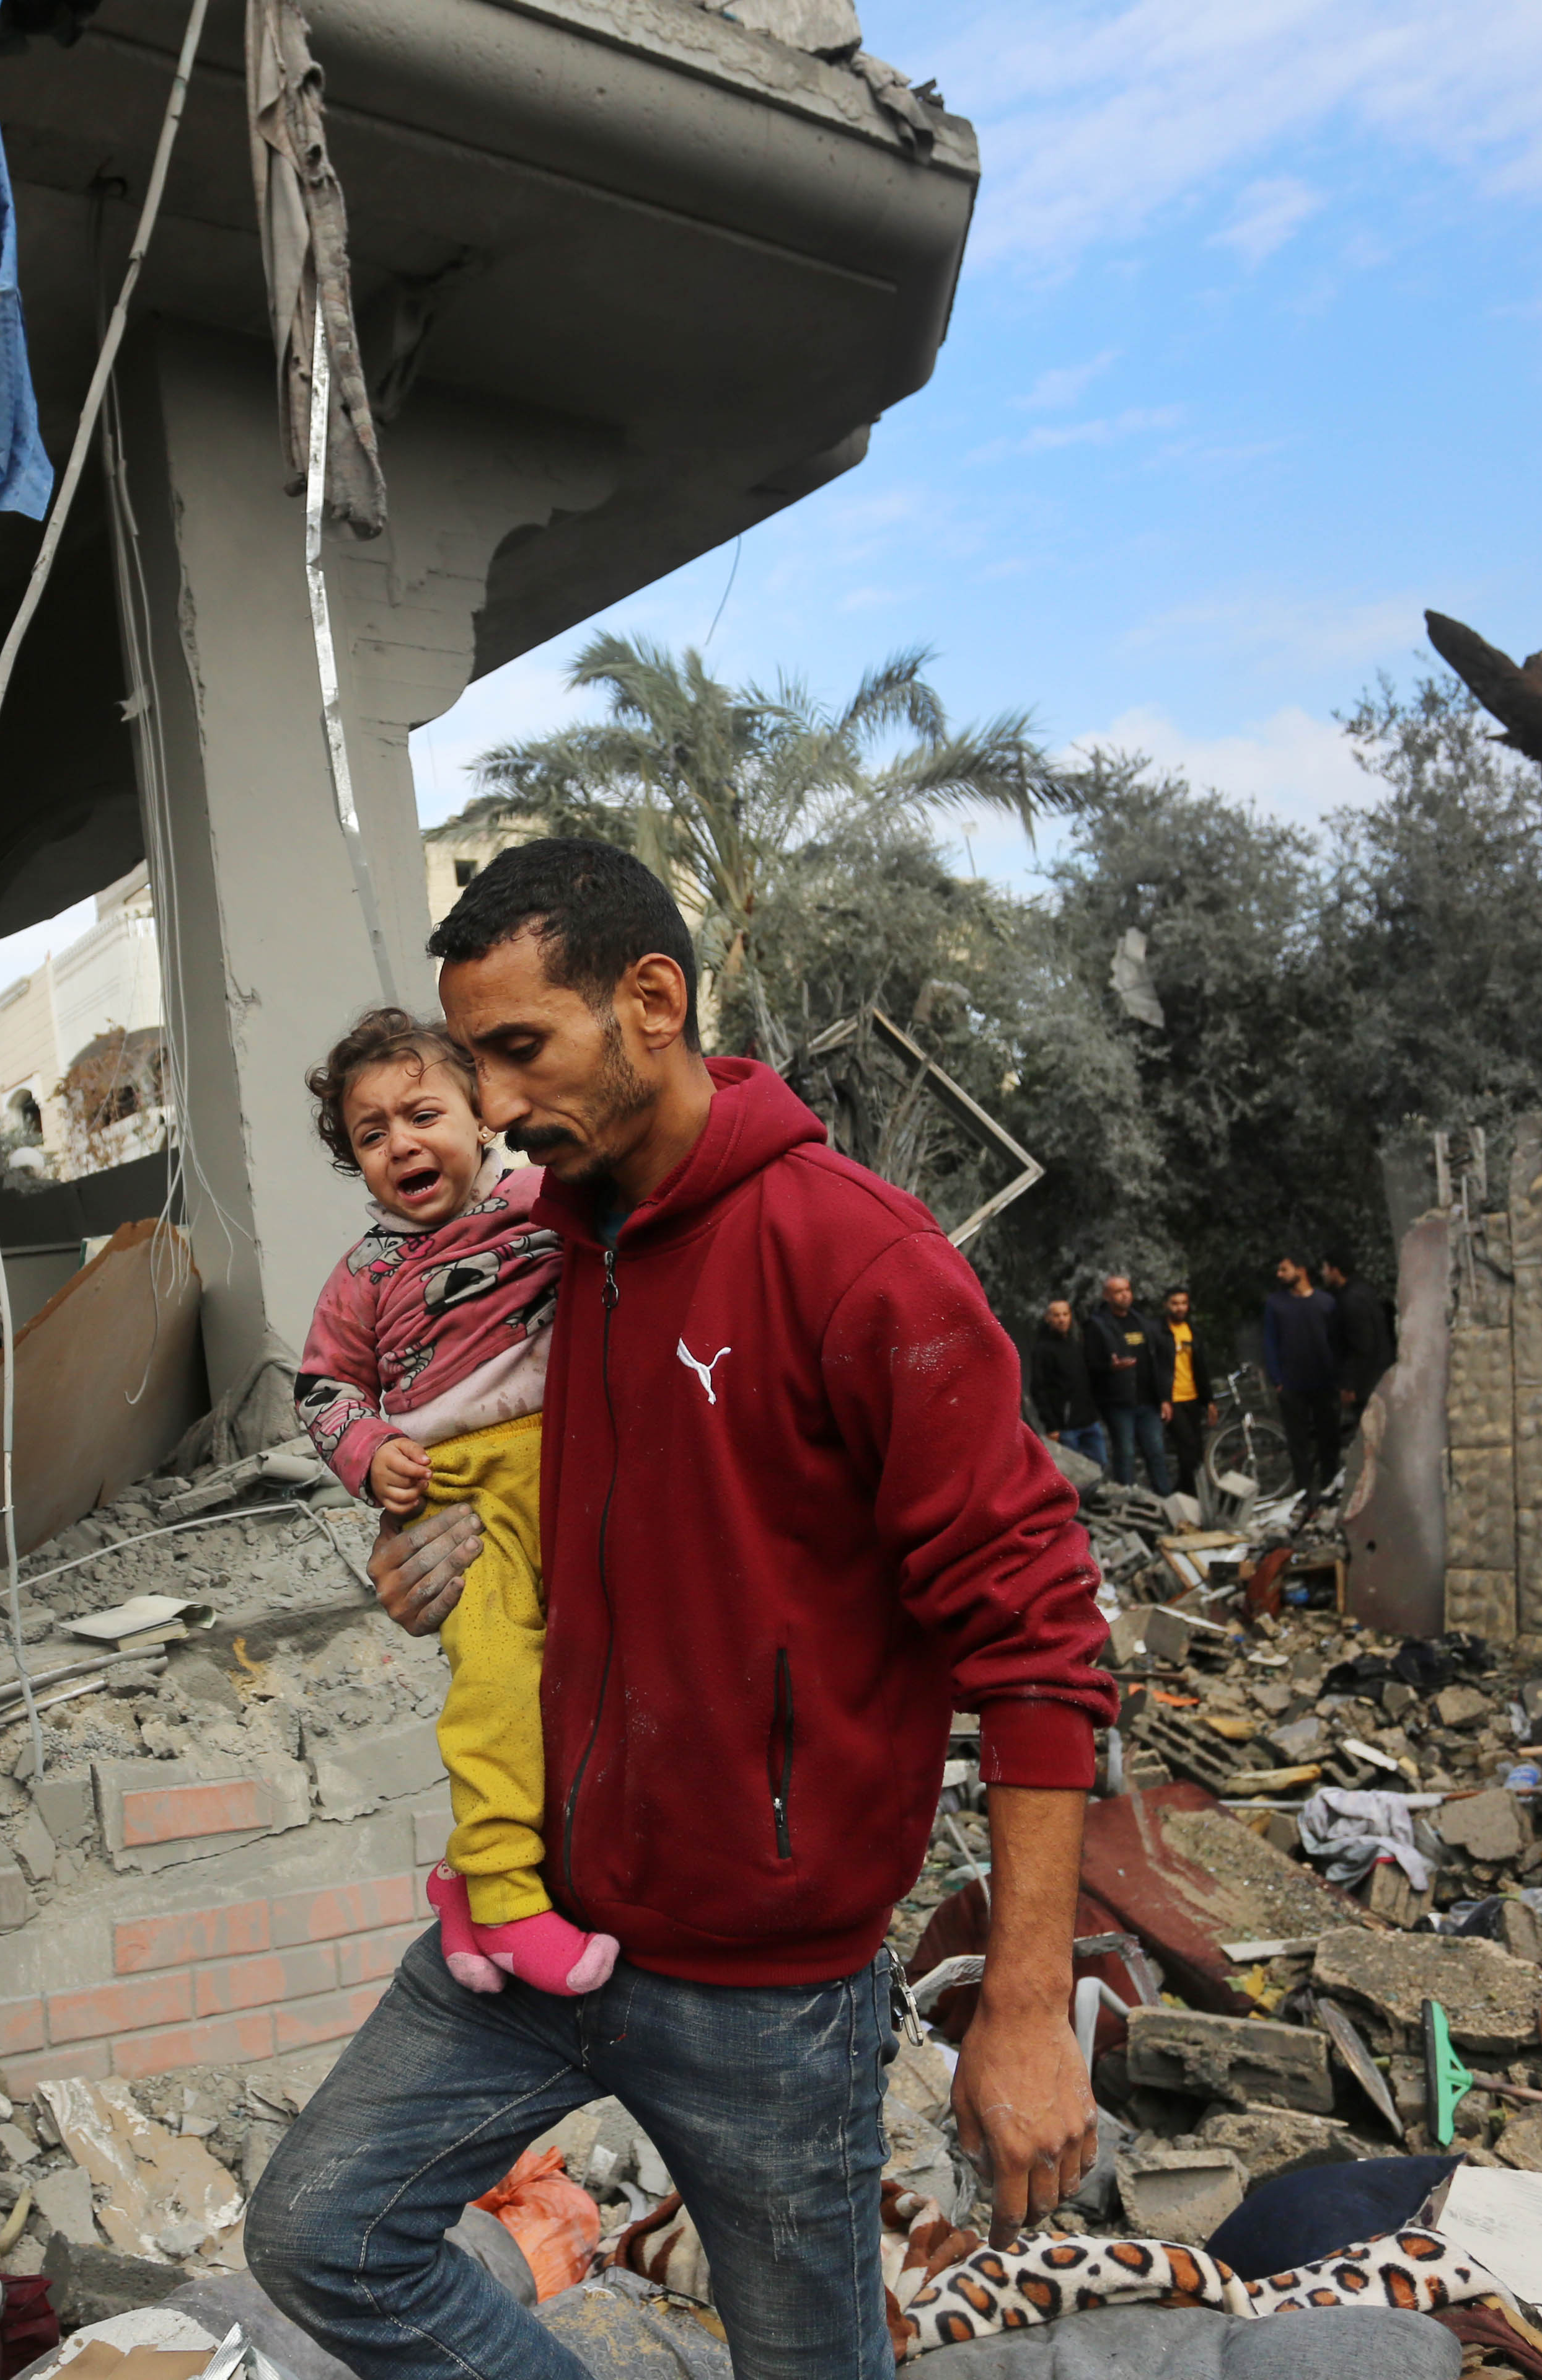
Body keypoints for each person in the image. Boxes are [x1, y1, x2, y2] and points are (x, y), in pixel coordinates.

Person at [270, 837, 1112, 2380]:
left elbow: (1040, 1632)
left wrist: (1025, 1998)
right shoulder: (540, 1252)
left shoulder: (854, 1256)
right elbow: (519, 1513)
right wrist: (426, 1566)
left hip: (766, 1993)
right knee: (319, 2232)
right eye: (473, 1062)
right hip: (533, 1933)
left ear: (649, 999)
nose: (495, 1105)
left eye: (518, 1049)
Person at [292, 1007, 613, 1998]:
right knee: (496, 1684)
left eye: (421, 1113)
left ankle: (470, 1877)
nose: (400, 1144)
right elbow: (322, 1387)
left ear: (482, 1117)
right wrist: (372, 1451)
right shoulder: (364, 1276)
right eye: (371, 1135)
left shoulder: (542, 1201)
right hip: (459, 1500)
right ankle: (511, 1901)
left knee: (584, 1676)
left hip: (566, 1462)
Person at [1259, 1256, 1342, 1499]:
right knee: (1298, 1444)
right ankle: (1305, 1494)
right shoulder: (1275, 1305)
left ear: (1301, 1270)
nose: (1279, 1275)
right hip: (1292, 1385)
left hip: (1325, 1382)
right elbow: (1270, 1343)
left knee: (1330, 1440)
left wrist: (1339, 1376)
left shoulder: (1326, 1302)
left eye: (1284, 1269)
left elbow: (1337, 1341)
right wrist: (1277, 1380)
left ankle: (1330, 1490)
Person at [1083, 1272, 1173, 1492]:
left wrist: (1164, 1399)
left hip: (1148, 1401)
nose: (1124, 1296)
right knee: (1125, 1453)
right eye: (1118, 1292)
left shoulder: (1142, 1322)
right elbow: (1089, 1364)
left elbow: (1157, 1364)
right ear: (1107, 1295)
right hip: (1118, 1402)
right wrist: (1110, 1367)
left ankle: (1165, 1498)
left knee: (1156, 1452)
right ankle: (1127, 1499)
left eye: (1127, 1290)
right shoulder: (1098, 1325)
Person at [1026, 1294, 1108, 1469]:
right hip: (1065, 1425)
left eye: (1065, 1314)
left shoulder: (1077, 1342)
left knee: (1100, 1466)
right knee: (1072, 1473)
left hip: (1089, 1419)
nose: (1062, 1319)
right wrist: (1051, 1425)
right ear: (1048, 1318)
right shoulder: (1043, 1350)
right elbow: (1038, 1389)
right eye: (1057, 1315)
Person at [1320, 1254, 1394, 1415]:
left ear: (1335, 1270)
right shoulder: (1364, 1292)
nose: (1322, 1273)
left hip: (1366, 1385)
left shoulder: (1350, 1300)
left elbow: (1361, 1345)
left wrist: (1349, 1385)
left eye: (1325, 1268)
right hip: (1377, 1380)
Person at [1161, 1285, 1217, 1492]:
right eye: (1175, 1303)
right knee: (1187, 1449)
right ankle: (1188, 1494)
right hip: (1173, 1399)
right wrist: (1163, 1399)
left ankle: (1187, 1493)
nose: (1180, 1308)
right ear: (1166, 1305)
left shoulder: (1193, 1332)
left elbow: (1202, 1368)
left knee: (1197, 1451)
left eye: (1184, 1303)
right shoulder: (1159, 1332)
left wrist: (1208, 1401)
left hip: (1193, 1397)